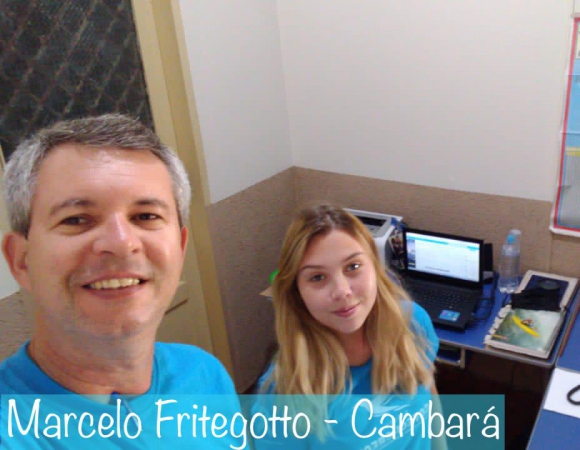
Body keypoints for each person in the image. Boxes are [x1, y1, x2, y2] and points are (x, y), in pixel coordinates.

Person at [0, 114, 241, 448]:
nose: (121, 242)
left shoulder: (204, 375)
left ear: (180, 248)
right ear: (21, 260)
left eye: (146, 216)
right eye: (77, 219)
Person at [252, 204, 440, 449]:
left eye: (353, 267)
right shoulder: (282, 393)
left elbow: (429, 394)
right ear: (297, 293)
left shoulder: (413, 323)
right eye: (318, 277)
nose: (342, 291)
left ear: (375, 267)